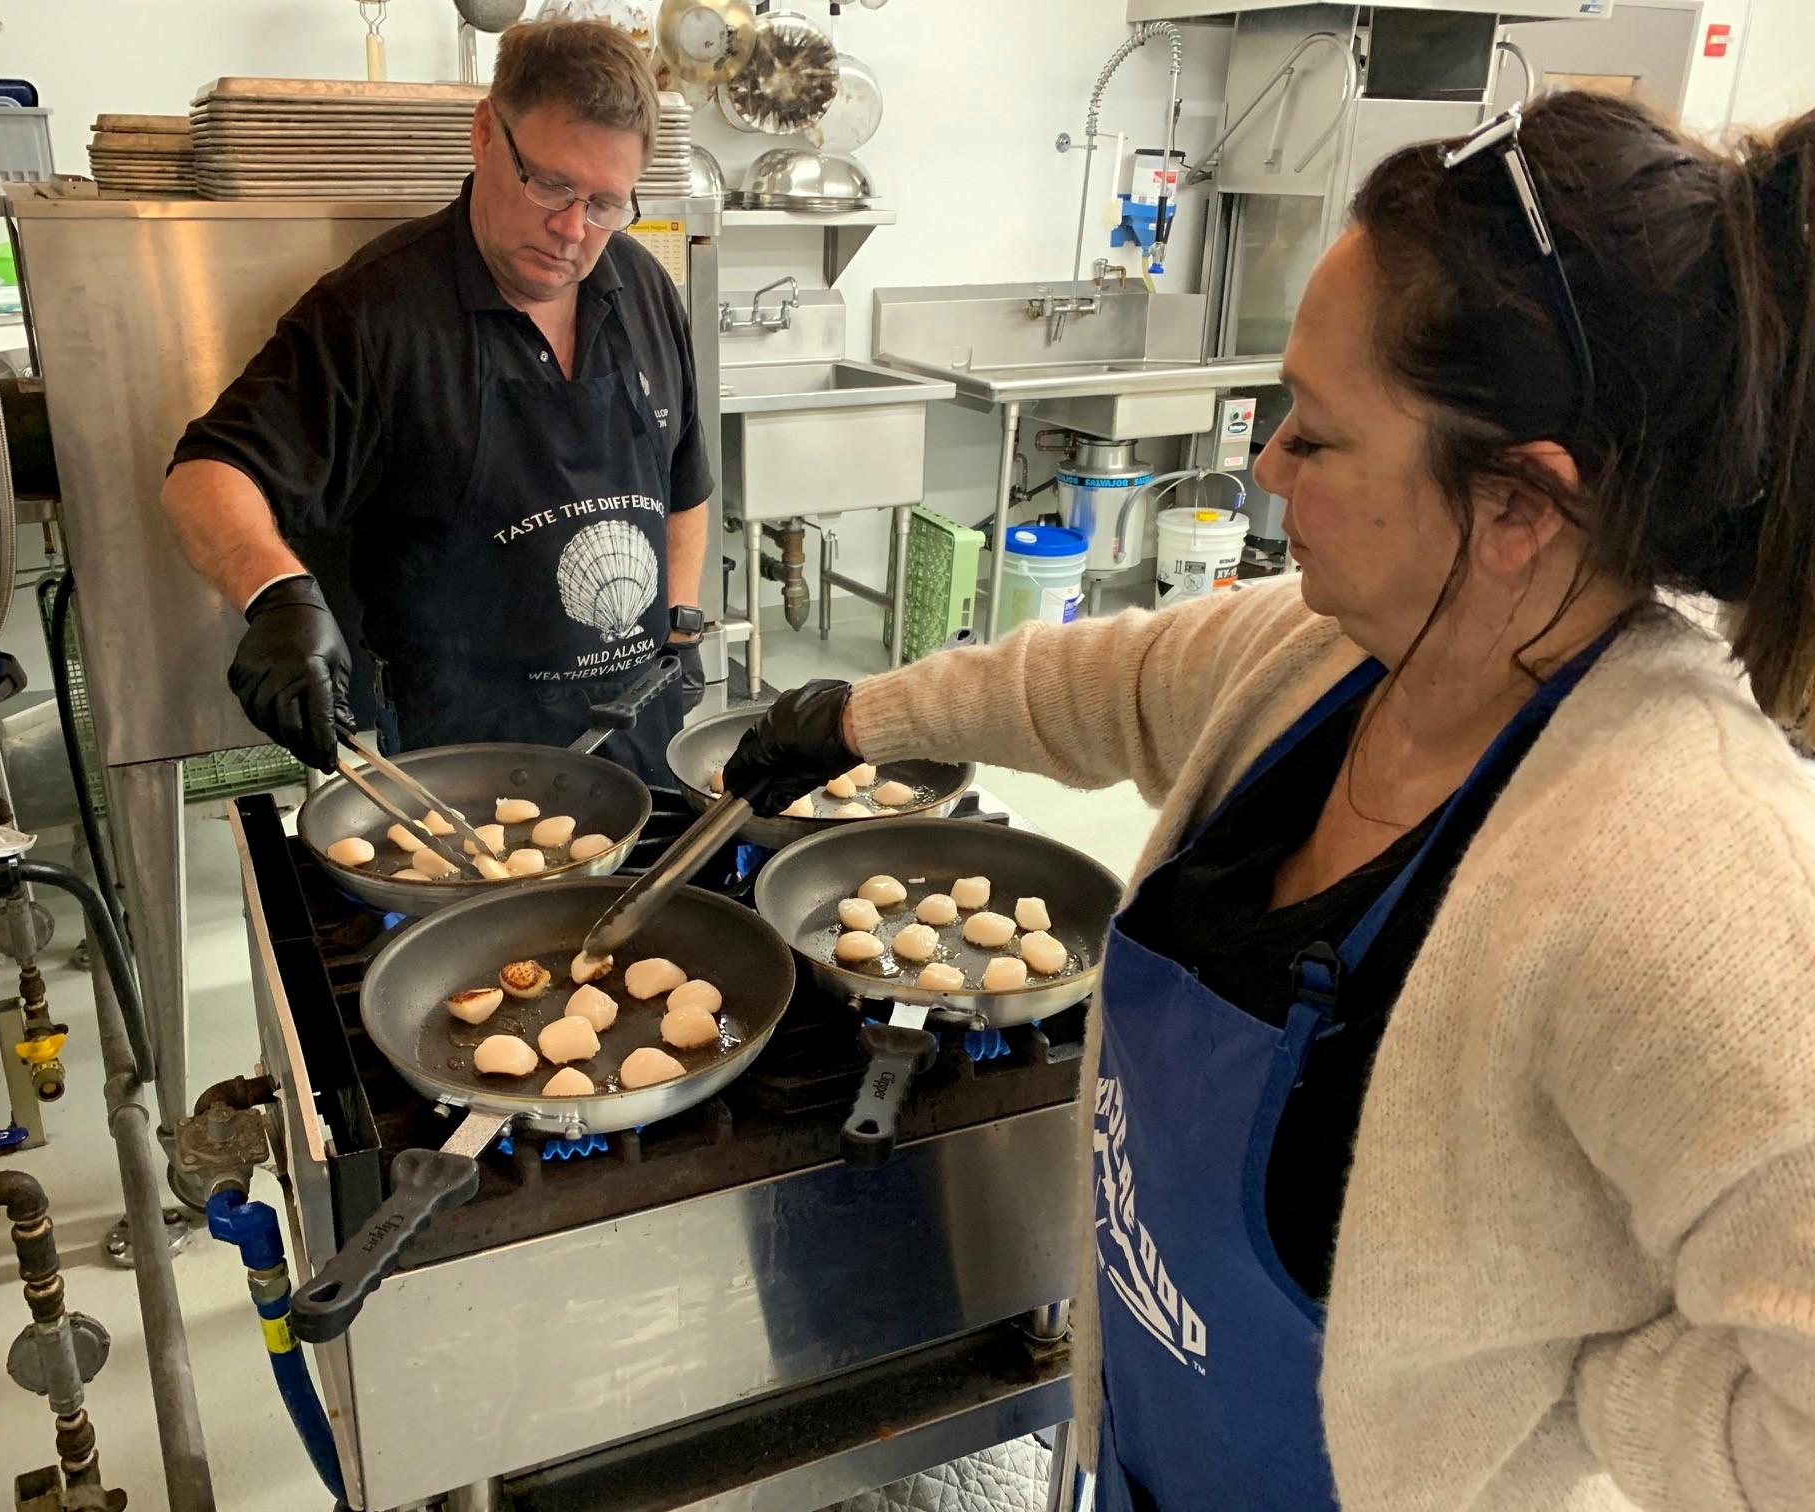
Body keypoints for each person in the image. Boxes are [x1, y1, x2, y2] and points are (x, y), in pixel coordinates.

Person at [727, 92, 1815, 1511]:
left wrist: (1560, 1393)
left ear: (1517, 507)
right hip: (1146, 1459)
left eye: (1318, 434)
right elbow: (1096, 683)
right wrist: (861, 718)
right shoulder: (1320, 653)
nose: (1264, 467)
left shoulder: (1692, 878)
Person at [161, 20, 711, 782]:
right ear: (486, 132)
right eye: (549, 184)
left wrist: (680, 628)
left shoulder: (642, 286)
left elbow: (685, 484)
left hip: (637, 730)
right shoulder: (376, 312)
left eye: (606, 203)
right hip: (462, 765)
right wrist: (277, 598)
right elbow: (207, 473)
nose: (572, 231)